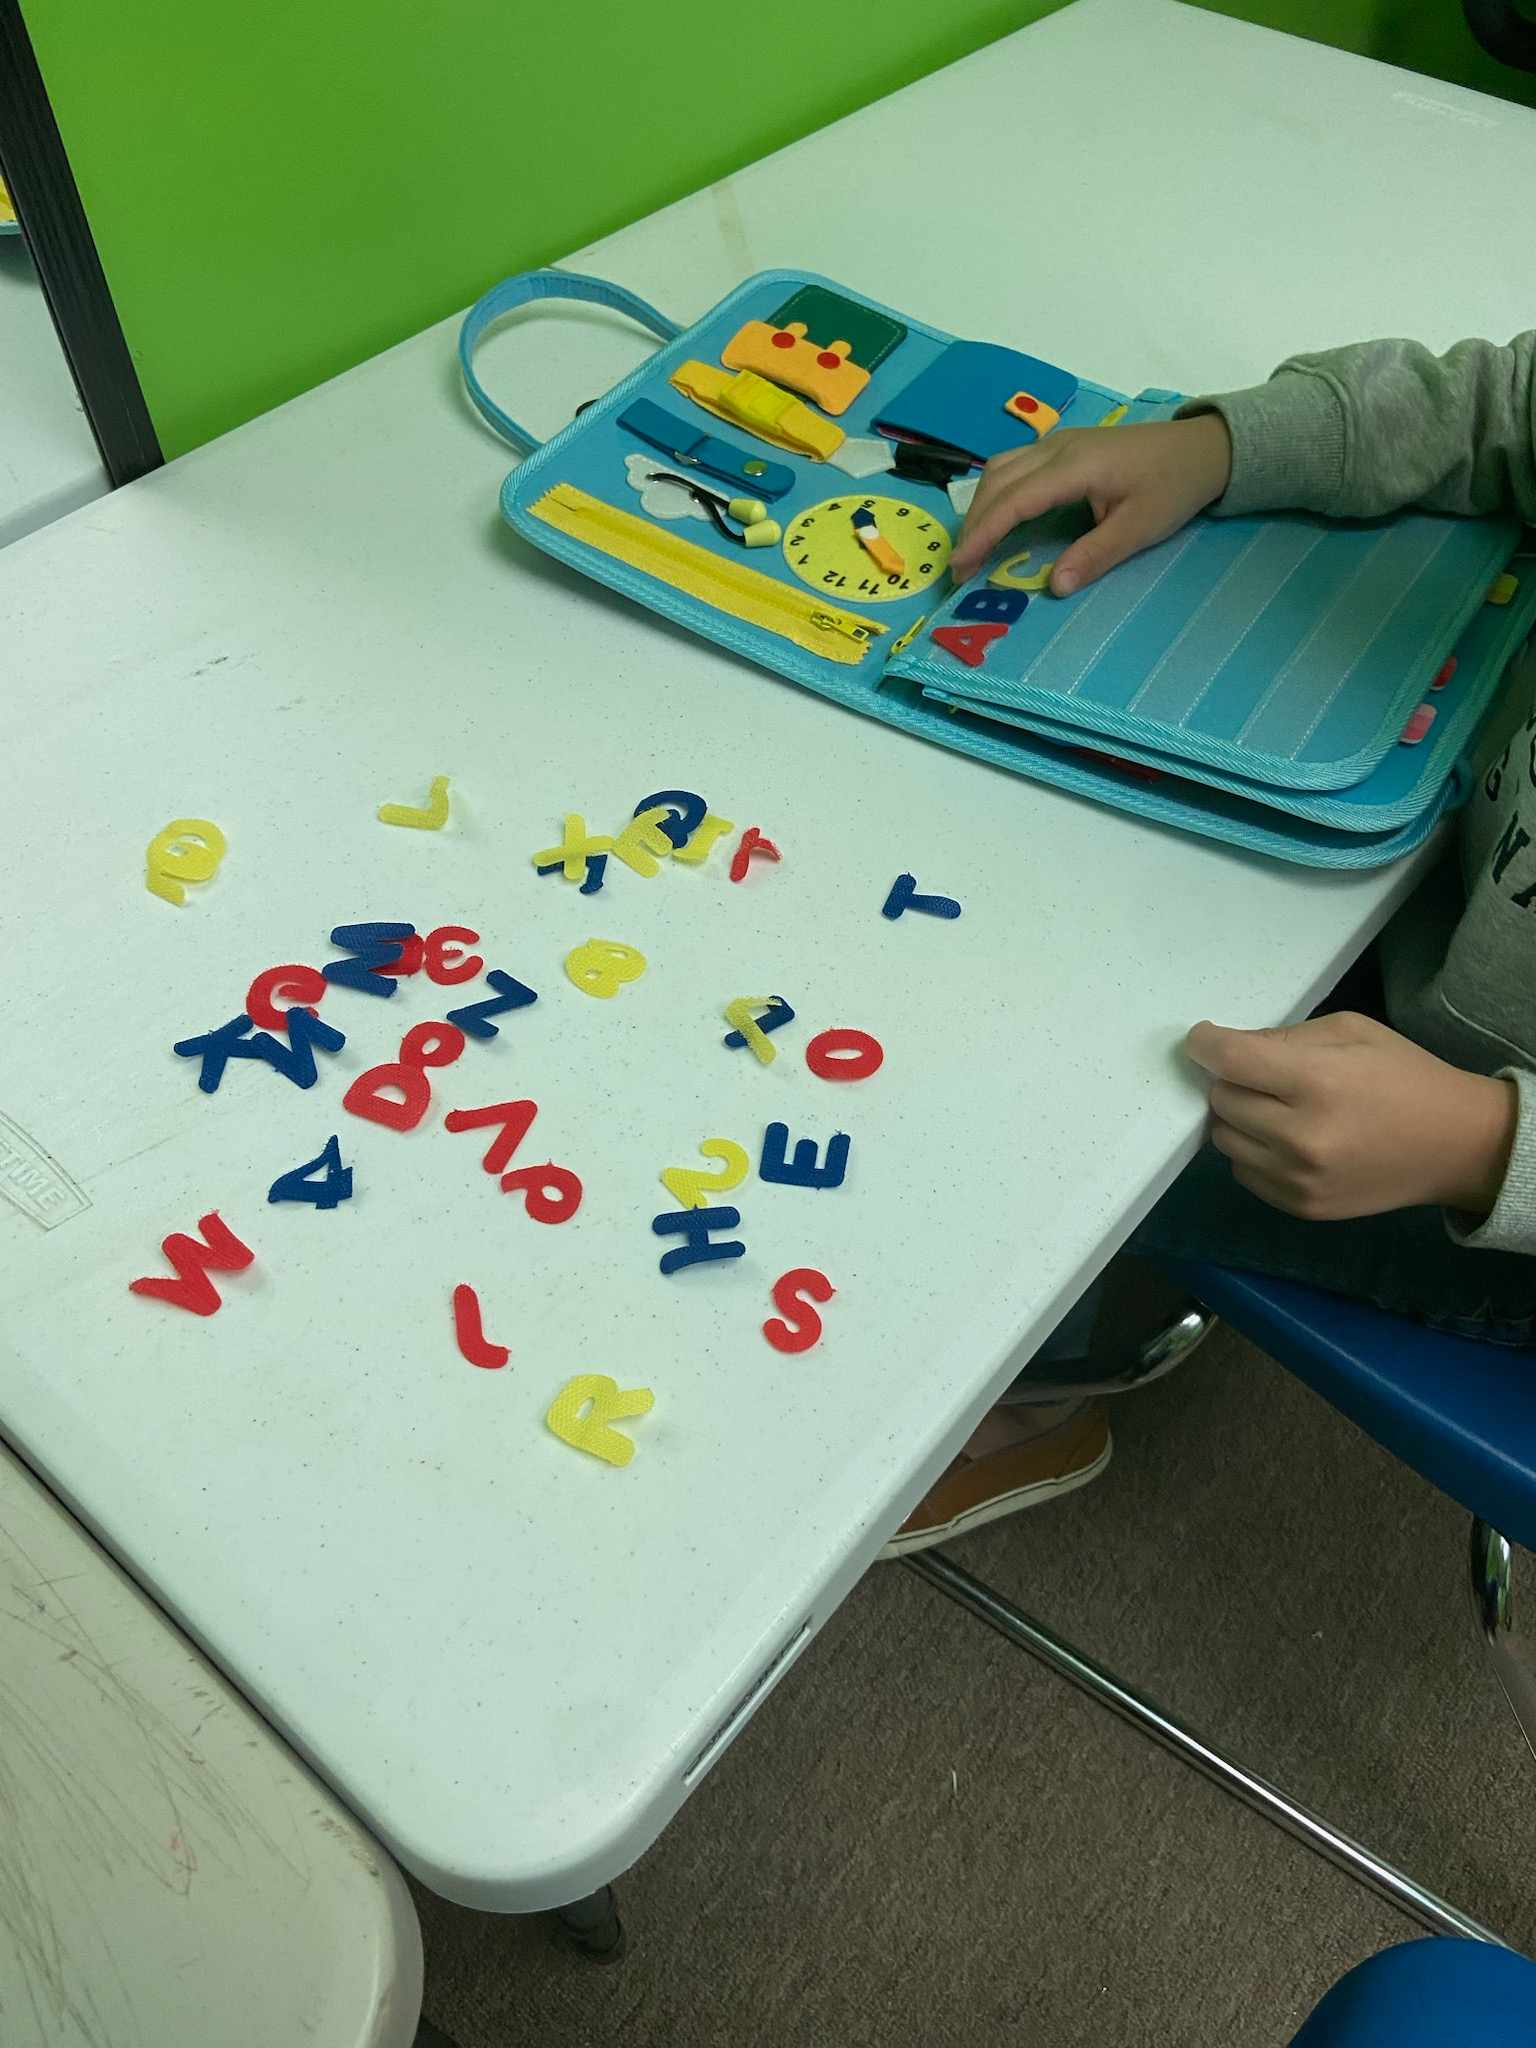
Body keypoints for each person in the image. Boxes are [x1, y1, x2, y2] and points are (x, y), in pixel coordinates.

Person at [885, 330, 1536, 1558]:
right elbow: (1496, 411)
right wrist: (1221, 446)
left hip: (1499, 1192)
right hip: (1433, 928)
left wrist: (1481, 1145)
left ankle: (1032, 1389)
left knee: (1025, 1109)